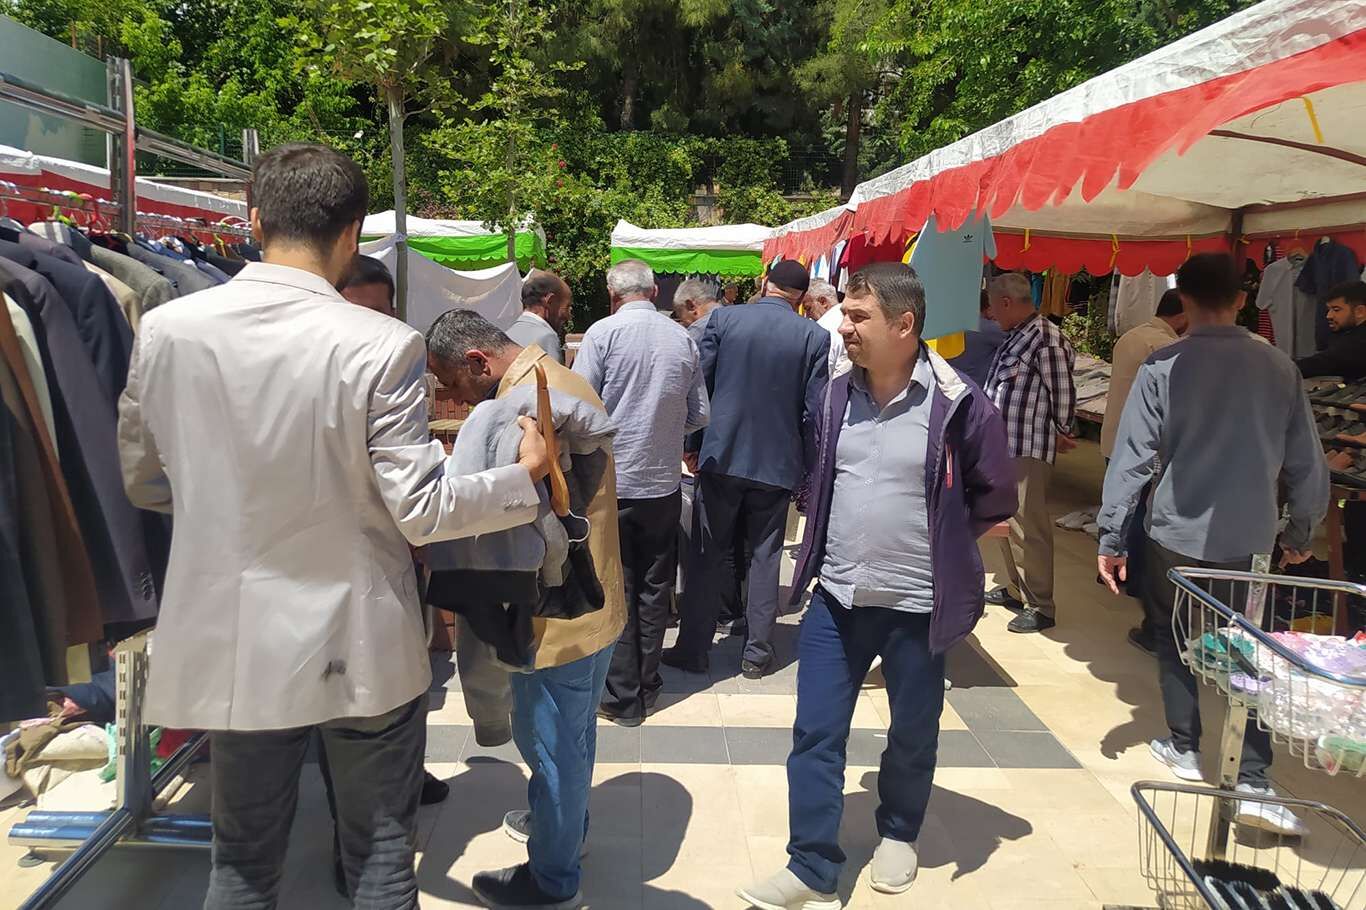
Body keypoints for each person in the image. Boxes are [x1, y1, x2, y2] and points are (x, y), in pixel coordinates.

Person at [116, 143, 549, 910]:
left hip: (233, 642)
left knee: (241, 868)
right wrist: (524, 479)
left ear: (253, 221)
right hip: (359, 646)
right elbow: (421, 509)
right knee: (380, 863)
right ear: (353, 234)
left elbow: (144, 479)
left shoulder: (167, 330)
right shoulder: (381, 344)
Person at [739, 263, 1015, 909]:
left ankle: (899, 831)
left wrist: (946, 541)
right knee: (816, 732)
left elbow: (994, 496)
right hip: (837, 599)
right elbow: (817, 472)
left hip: (918, 604)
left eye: (859, 316)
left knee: (913, 730)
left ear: (904, 323)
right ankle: (811, 865)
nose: (844, 326)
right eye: (846, 313)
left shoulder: (960, 403)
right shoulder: (832, 395)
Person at [1098, 253, 1328, 836]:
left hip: (1173, 531)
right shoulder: (1279, 367)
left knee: (1175, 638)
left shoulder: (1163, 366)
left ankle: (1185, 746)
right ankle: (1253, 777)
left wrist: (1111, 535)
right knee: (1249, 651)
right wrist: (1301, 531)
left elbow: (1131, 459)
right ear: (1243, 299)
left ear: (1182, 299)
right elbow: (1308, 464)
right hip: (1250, 536)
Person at [424, 309, 626, 910]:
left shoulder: (524, 409)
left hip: (554, 617)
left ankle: (552, 880)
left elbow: (510, 524)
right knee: (574, 739)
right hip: (595, 600)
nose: (455, 398)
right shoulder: (561, 380)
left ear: (477, 362)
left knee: (553, 749)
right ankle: (566, 836)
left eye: (452, 382)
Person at [665, 258, 830, 679]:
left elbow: (700, 388)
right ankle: (756, 654)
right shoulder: (814, 336)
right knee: (765, 556)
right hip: (777, 462)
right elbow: (814, 410)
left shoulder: (725, 320)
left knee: (708, 553)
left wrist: (692, 445)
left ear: (765, 282)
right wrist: (806, 465)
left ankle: (694, 649)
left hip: (722, 454)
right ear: (801, 297)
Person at [574, 260, 709, 724]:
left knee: (617, 585)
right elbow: (700, 413)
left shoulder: (602, 334)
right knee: (654, 585)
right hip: (662, 484)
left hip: (612, 483)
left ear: (613, 295)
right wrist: (664, 433)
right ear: (653, 292)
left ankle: (622, 695)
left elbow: (579, 407)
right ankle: (648, 683)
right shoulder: (683, 339)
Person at [983, 271, 1077, 634]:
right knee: (1006, 522)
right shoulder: (1017, 336)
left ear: (1007, 303)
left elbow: (1062, 392)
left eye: (993, 307)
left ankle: (1040, 605)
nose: (991, 314)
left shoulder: (1045, 338)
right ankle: (1015, 589)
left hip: (1027, 446)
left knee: (1028, 526)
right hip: (1005, 445)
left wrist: (1063, 430)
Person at [1099, 288, 1188, 657]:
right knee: (1140, 516)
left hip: (1115, 439)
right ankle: (1132, 577)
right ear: (1183, 316)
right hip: (1142, 445)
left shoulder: (1131, 337)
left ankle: (1110, 563)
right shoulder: (1166, 348)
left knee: (1120, 504)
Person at [1296, 280, 1366, 381]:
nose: (1329, 316)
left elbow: (1323, 362)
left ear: (1360, 311)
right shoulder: (1351, 336)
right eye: (1329, 309)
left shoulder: (1358, 344)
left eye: (1336, 310)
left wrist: (1281, 368)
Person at [944, 290, 1007, 388]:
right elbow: (1018, 338)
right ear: (989, 308)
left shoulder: (950, 326)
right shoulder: (989, 328)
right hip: (976, 389)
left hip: (951, 386)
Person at [509, 270, 573, 363]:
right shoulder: (547, 338)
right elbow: (554, 373)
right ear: (550, 301)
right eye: (567, 306)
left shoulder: (507, 334)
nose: (568, 316)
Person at [672, 277, 722, 345]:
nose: (683, 323)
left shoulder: (698, 330)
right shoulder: (730, 316)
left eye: (680, 315)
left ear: (691, 306)